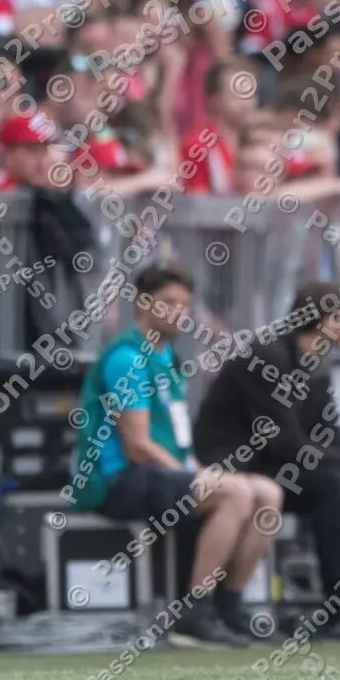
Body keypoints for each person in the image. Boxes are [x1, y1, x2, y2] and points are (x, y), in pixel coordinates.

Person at [193, 282, 340, 642]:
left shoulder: (314, 362)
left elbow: (329, 434)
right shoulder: (267, 356)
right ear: (328, 320)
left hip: (278, 463)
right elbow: (282, 440)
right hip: (240, 464)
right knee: (331, 484)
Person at [68, 265, 284, 647]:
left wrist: (197, 471)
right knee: (234, 494)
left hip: (158, 472)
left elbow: (176, 442)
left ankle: (230, 606)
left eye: (184, 305)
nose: (178, 312)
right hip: (119, 478)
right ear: (142, 303)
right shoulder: (127, 359)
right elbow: (137, 444)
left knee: (268, 493)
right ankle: (194, 611)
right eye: (168, 302)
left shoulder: (167, 357)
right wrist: (194, 478)